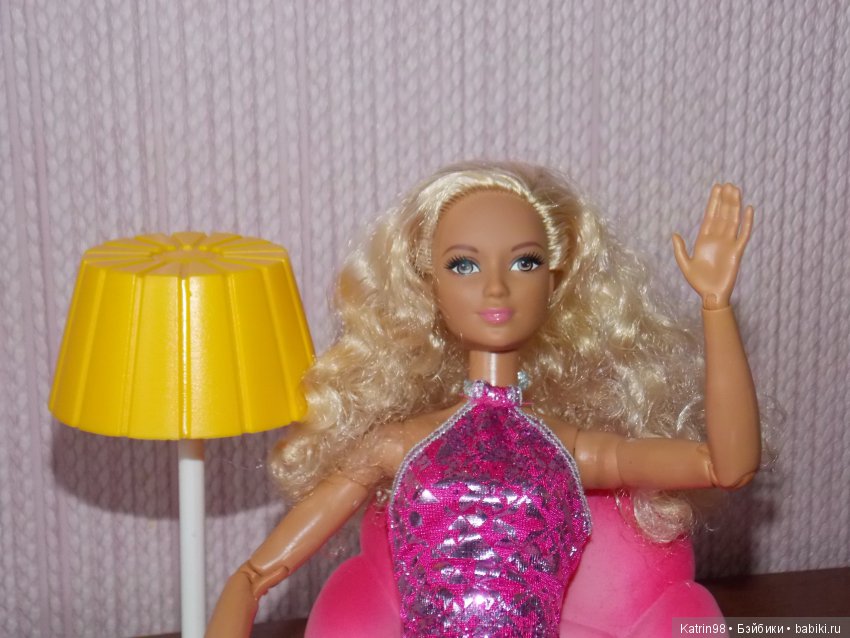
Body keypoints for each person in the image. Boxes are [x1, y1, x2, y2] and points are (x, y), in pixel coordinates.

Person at [206, 162, 760, 637]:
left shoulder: (572, 450)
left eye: (525, 262)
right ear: (430, 286)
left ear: (554, 282)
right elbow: (253, 577)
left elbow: (727, 465)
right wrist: (239, 594)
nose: (496, 287)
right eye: (464, 265)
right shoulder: (397, 445)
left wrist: (715, 305)